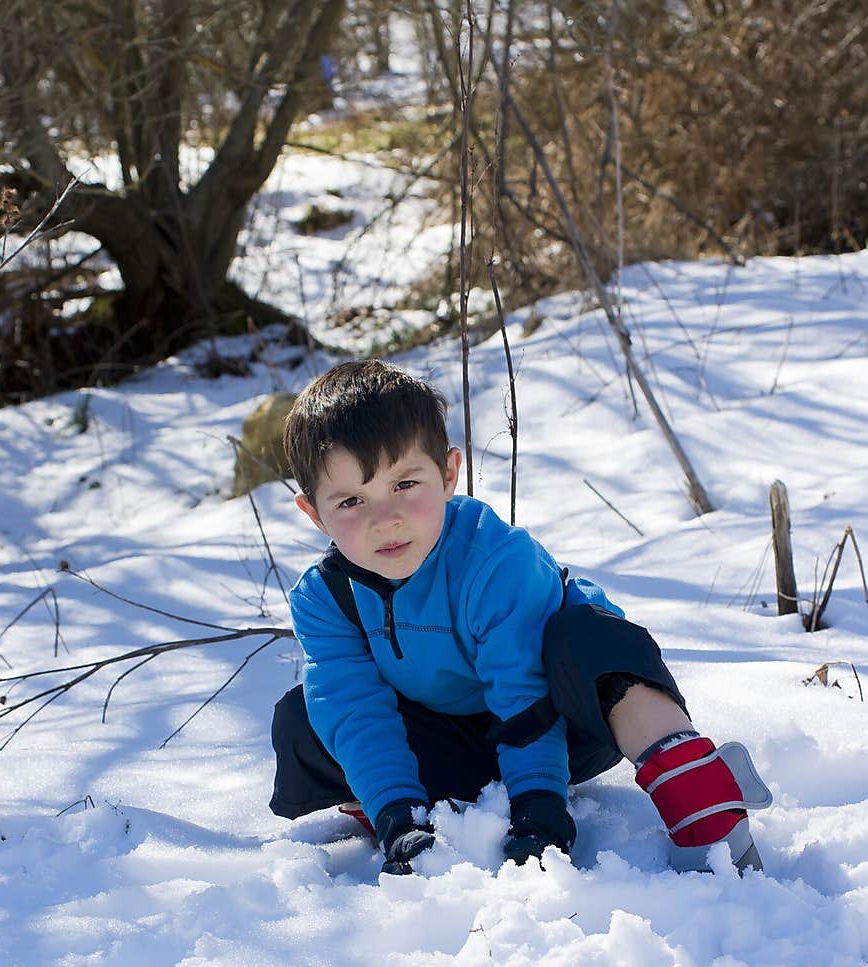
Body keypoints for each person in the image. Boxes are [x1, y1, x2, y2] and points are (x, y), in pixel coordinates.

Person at [269, 359, 772, 877]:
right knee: (308, 714)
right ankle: (395, 800)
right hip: (465, 741)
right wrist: (398, 813)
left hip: (567, 719)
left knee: (589, 639)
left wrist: (540, 810)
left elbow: (523, 690)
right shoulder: (326, 595)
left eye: (405, 485)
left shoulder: (494, 561)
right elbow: (357, 709)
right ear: (313, 513)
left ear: (447, 474)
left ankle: (692, 784)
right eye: (351, 500)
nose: (385, 519)